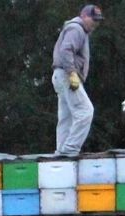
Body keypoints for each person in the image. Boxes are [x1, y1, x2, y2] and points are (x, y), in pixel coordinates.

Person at [51, 4, 103, 156]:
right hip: (67, 75)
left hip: (60, 75)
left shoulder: (79, 30)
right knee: (86, 111)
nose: (96, 24)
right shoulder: (77, 29)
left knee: (66, 116)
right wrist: (72, 73)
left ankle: (61, 150)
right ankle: (70, 150)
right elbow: (66, 50)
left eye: (98, 21)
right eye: (93, 20)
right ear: (84, 16)